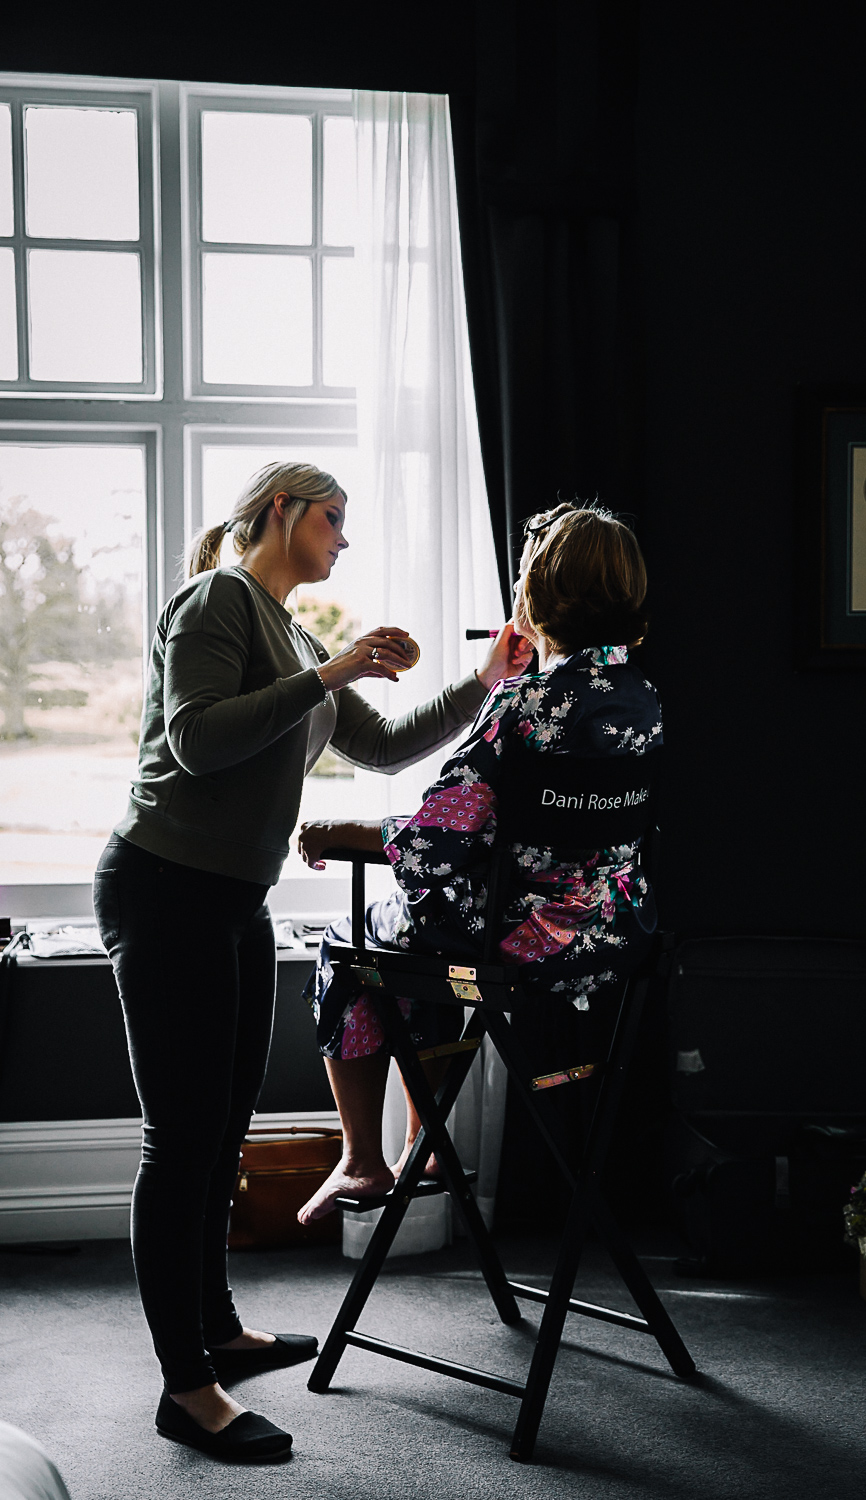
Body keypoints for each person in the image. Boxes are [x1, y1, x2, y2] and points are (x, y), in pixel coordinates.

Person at [92, 461, 528, 1461]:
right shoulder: (218, 602)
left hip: (230, 903)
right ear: (281, 513)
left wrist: (483, 683)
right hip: (163, 891)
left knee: (222, 1127)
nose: (343, 537)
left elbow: (379, 749)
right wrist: (331, 674)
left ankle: (218, 1330)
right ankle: (187, 1389)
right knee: (181, 1138)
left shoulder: (293, 630)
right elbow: (197, 742)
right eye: (332, 519)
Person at [296, 502, 660, 1224]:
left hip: (511, 945)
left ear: (537, 596)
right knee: (418, 931)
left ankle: (365, 1160)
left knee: (349, 945)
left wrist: (332, 829)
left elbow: (437, 836)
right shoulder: (644, 700)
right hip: (607, 939)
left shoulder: (523, 705)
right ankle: (421, 1144)